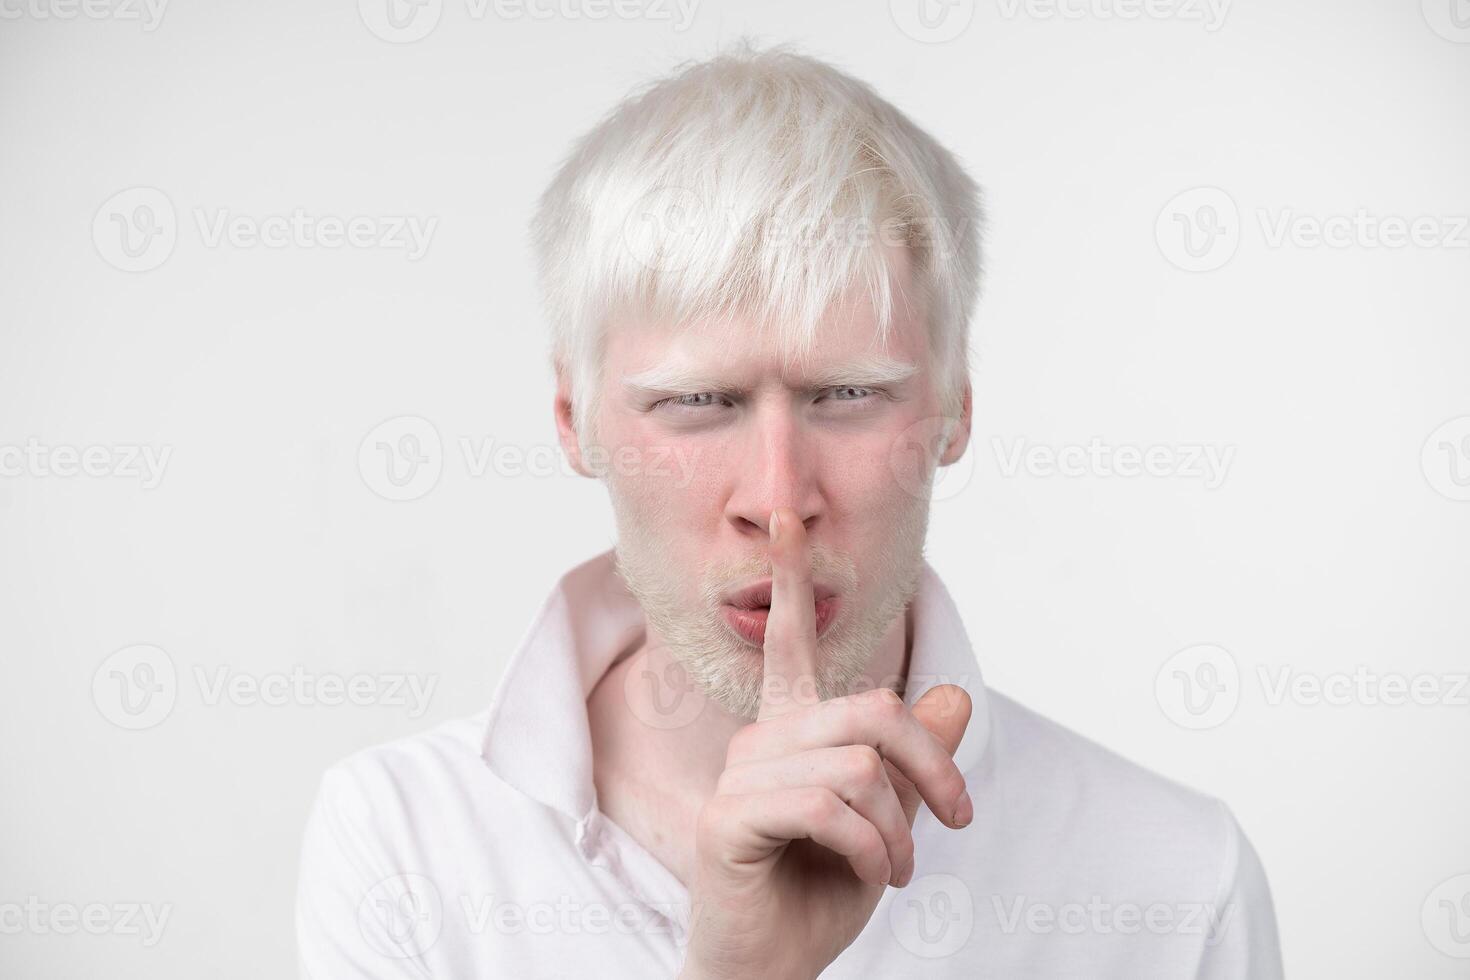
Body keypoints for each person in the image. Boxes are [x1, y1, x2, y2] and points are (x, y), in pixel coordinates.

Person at [296, 41, 1283, 978]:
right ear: (573, 419)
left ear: (954, 406)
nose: (778, 501)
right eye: (698, 402)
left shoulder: (1174, 881)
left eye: (846, 395)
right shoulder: (403, 841)